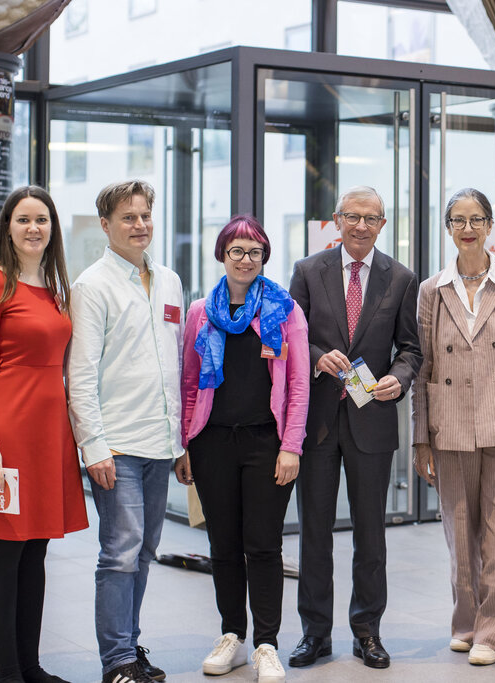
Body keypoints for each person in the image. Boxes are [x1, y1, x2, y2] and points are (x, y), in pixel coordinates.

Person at [0, 186, 88, 683]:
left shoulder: (55, 289)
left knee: (35, 552)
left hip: (48, 436)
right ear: (7, 226)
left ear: (52, 229)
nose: (34, 228)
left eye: (43, 220)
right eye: (24, 219)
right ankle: (7, 673)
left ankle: (31, 666)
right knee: (4, 553)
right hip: (3, 433)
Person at [287, 185, 422, 670]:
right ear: (336, 220)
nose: (362, 225)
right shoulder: (307, 271)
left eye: (372, 219)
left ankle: (367, 631)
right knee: (314, 533)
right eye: (353, 217)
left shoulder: (401, 278)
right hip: (318, 424)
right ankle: (314, 635)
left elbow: (411, 348)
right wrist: (320, 357)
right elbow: (290, 338)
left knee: (371, 536)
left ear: (383, 225)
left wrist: (398, 378)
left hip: (373, 421)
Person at [411, 188, 495, 666]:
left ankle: (494, 631)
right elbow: (424, 367)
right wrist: (420, 437)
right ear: (448, 228)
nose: (468, 229)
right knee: (458, 535)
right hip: (449, 425)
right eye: (458, 220)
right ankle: (466, 622)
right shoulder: (431, 290)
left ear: (491, 226)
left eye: (477, 219)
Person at [178, 215, 309, 682]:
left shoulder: (285, 310)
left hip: (266, 443)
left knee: (263, 545)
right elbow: (189, 383)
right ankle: (231, 635)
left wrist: (291, 446)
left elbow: (297, 386)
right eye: (237, 250)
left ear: (264, 257)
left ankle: (267, 643)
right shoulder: (200, 312)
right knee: (223, 545)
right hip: (212, 442)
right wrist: (186, 443)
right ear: (222, 255)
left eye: (254, 251)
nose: (245, 259)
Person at [67, 180, 184, 683]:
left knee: (144, 550)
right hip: (116, 443)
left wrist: (180, 443)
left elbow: (175, 364)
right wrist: (93, 445)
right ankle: (115, 661)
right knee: (119, 553)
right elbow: (81, 373)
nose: (139, 225)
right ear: (106, 225)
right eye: (128, 217)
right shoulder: (92, 286)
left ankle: (130, 649)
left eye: (145, 216)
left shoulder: (171, 281)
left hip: (161, 442)